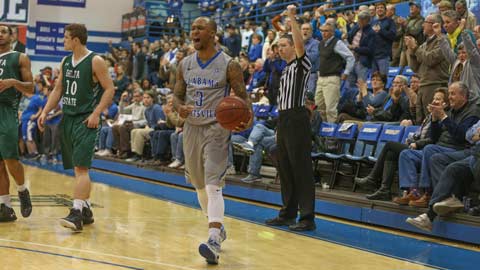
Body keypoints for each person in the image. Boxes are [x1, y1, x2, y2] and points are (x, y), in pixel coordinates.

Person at [173, 17, 251, 264]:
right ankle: (215, 224)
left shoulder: (230, 65)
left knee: (213, 183)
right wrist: (179, 108)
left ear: (213, 34)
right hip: (192, 128)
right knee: (198, 185)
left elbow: (243, 99)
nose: (194, 32)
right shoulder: (184, 64)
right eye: (193, 28)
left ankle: (214, 239)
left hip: (217, 129)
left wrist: (246, 120)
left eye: (200, 28)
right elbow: (176, 96)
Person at [38, 24, 115, 231]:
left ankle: (76, 213)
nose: (63, 41)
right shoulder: (65, 61)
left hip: (85, 119)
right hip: (68, 118)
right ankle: (87, 209)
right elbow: (58, 89)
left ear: (76, 40)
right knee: (76, 168)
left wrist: (96, 113)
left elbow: (110, 89)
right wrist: (45, 111)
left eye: (65, 38)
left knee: (81, 169)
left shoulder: (95, 61)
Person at [264, 5, 316, 232]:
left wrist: (292, 18)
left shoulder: (301, 64)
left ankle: (307, 218)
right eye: (279, 46)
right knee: (285, 168)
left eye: (284, 45)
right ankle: (287, 213)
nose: (280, 49)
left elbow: (298, 43)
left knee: (301, 169)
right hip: (283, 119)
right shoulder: (285, 69)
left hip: (297, 118)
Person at [0, 24, 34, 222]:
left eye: (3, 32)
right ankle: (5, 206)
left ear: (11, 36)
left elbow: (31, 89)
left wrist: (13, 82)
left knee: (10, 158)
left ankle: (22, 190)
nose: (0, 35)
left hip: (7, 111)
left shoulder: (20, 57)